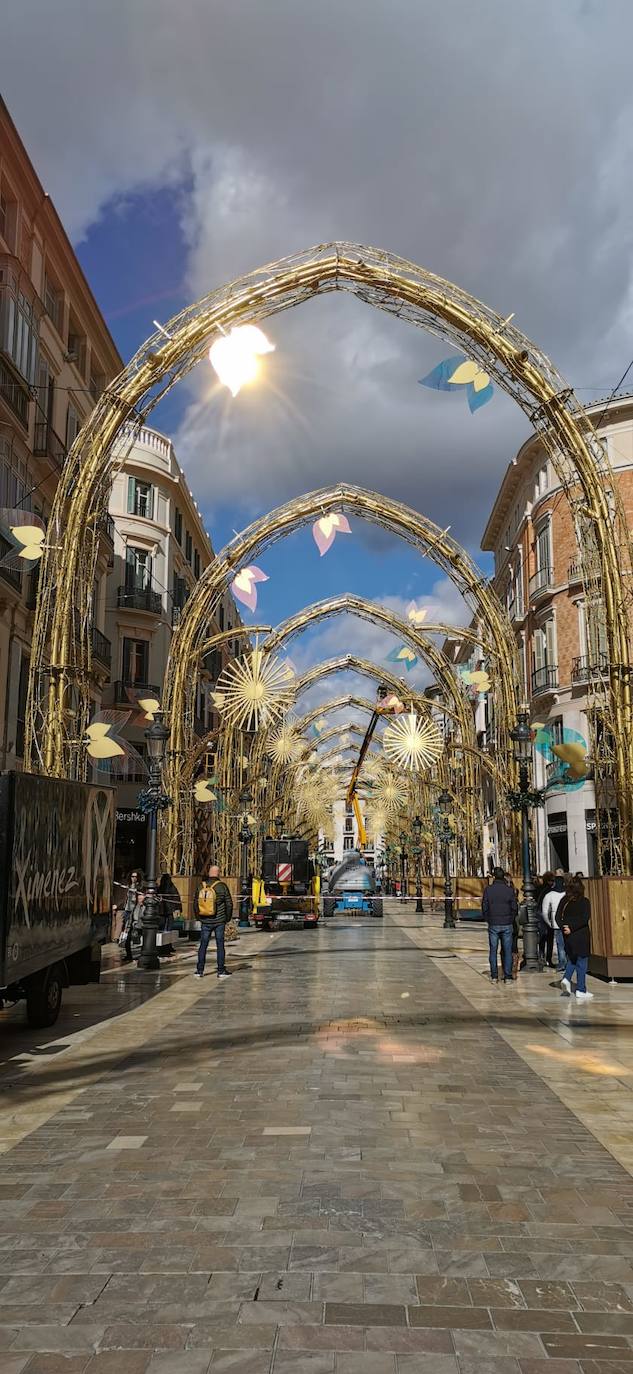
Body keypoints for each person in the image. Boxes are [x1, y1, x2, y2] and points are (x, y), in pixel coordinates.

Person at [194, 864, 233, 980]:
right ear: (218, 873)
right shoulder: (222, 886)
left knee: (203, 945)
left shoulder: (201, 886)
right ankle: (221, 970)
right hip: (219, 921)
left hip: (205, 920)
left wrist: (199, 917)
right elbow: (229, 904)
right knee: (220, 945)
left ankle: (199, 970)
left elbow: (195, 903)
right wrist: (227, 918)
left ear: (209, 873)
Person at [558, 876, 593, 1000]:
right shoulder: (585, 901)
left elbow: (557, 916)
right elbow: (584, 919)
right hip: (581, 934)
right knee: (582, 961)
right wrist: (572, 928)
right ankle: (581, 989)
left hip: (568, 935)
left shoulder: (564, 901)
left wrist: (564, 928)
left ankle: (567, 978)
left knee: (573, 958)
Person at [482, 867, 518, 984]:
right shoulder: (509, 890)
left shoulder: (488, 890)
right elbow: (514, 907)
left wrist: (488, 919)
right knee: (507, 950)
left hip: (493, 923)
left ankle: (494, 976)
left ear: (493, 876)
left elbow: (484, 906)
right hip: (507, 923)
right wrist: (510, 918)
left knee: (493, 950)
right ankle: (507, 977)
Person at [542, 871, 567, 971]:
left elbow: (544, 912)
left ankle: (562, 964)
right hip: (568, 923)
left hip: (556, 924)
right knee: (568, 944)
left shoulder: (549, 895)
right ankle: (569, 963)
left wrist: (549, 923)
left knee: (560, 945)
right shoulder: (567, 894)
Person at [121, 870, 143, 963]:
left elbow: (139, 899)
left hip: (136, 912)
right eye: (132, 876)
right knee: (127, 934)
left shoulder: (140, 887)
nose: (134, 878)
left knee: (138, 933)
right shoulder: (128, 886)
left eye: (135, 876)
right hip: (127, 911)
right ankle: (128, 954)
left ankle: (141, 953)